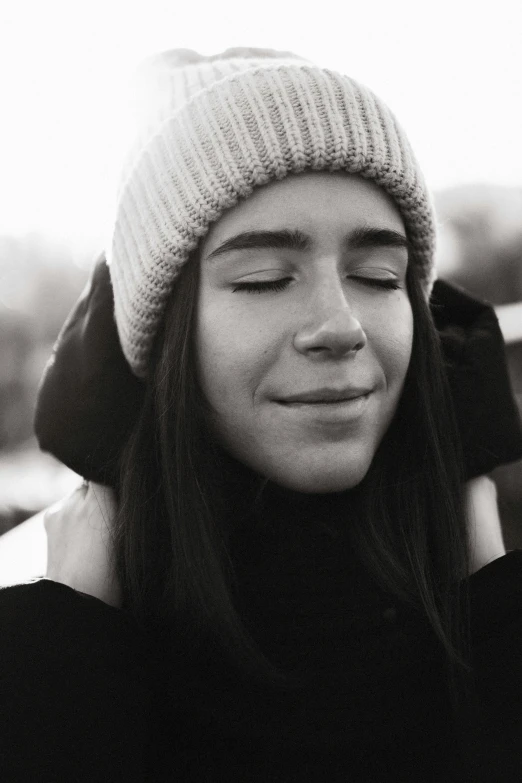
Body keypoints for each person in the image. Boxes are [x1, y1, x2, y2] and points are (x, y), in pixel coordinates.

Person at [1, 47, 522, 782]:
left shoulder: (486, 566)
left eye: (379, 275)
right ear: (163, 333)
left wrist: (480, 543)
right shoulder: (67, 628)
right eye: (264, 279)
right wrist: (76, 615)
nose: (341, 324)